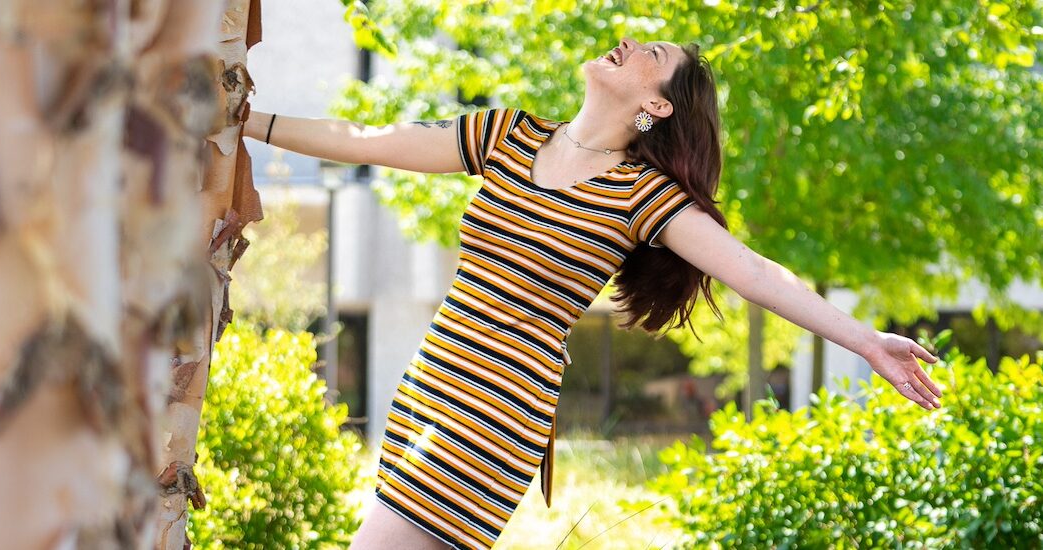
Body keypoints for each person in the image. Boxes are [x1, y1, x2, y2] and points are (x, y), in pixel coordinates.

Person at [245, 37, 943, 550]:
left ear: (655, 104)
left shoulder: (642, 196)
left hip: (493, 412)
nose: (628, 39)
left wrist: (864, 340)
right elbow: (367, 140)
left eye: (652, 52)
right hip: (430, 387)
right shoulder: (507, 136)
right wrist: (245, 119)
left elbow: (756, 273)